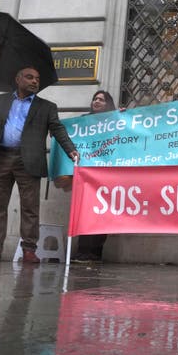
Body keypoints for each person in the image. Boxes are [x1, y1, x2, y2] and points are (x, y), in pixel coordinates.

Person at [0, 66, 80, 263]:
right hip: (0, 157)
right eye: (29, 77)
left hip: (28, 160)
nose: (34, 81)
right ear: (18, 79)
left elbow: (58, 129)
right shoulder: (1, 100)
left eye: (37, 78)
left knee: (30, 207)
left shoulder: (47, 107)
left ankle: (29, 249)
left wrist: (70, 149)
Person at [70, 90, 117, 263]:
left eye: (101, 100)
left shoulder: (115, 121)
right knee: (84, 213)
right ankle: (82, 251)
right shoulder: (83, 121)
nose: (96, 101)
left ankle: (95, 252)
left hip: (106, 174)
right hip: (86, 174)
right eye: (95, 99)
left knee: (100, 214)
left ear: (108, 104)